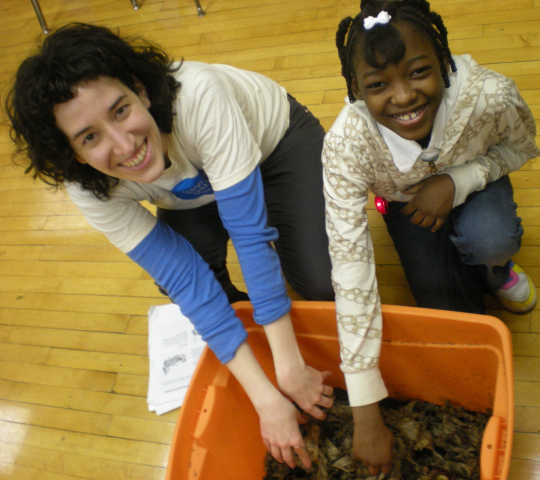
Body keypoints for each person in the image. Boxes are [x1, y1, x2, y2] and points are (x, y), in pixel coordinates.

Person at [5, 23, 335, 469]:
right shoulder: (87, 186)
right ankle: (253, 349)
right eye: (89, 137)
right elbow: (186, 279)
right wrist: (266, 400)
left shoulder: (200, 97)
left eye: (120, 110)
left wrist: (291, 366)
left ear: (140, 89)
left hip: (272, 146)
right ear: (75, 155)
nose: (124, 145)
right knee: (205, 286)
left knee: (319, 281)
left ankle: (279, 353)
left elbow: (252, 238)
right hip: (186, 191)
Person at [322, 0, 540, 474]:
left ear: (443, 61)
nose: (402, 97)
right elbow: (351, 267)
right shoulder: (345, 145)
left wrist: (457, 182)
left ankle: (496, 270)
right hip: (404, 204)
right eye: (378, 85)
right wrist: (364, 407)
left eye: (418, 72)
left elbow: (521, 146)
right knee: (450, 316)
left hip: (473, 178)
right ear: (356, 90)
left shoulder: (490, 96)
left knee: (491, 239)